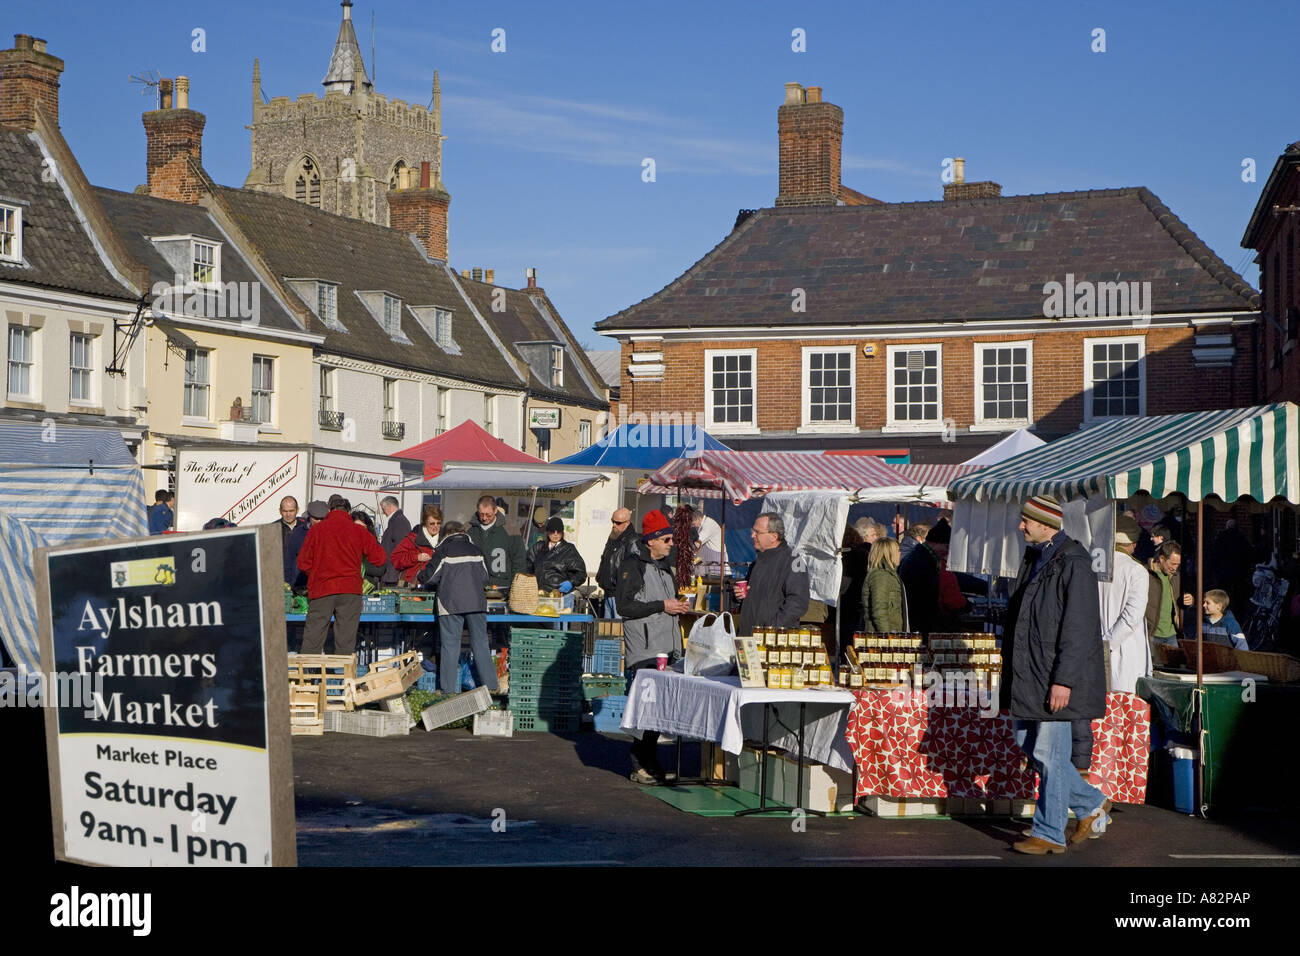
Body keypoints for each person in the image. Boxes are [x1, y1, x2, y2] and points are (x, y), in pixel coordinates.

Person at [1001, 494, 1109, 855]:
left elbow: (1079, 628)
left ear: (1046, 523)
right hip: (1033, 674)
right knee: (1028, 744)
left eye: (1026, 521)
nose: (1021, 526)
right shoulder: (1039, 557)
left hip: (1053, 677)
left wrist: (1064, 680)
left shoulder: (1073, 562)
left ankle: (1049, 833)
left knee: (1048, 752)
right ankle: (1091, 804)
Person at [616, 511, 692, 783]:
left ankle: (650, 762)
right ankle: (639, 764)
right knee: (646, 709)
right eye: (667, 538)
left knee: (658, 710)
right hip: (645, 648)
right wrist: (663, 605)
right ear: (652, 540)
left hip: (665, 646)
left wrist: (677, 606)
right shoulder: (633, 567)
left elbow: (663, 603)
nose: (671, 543)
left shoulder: (664, 568)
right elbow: (624, 606)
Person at [296, 496, 387, 656]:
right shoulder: (358, 531)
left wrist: (316, 571)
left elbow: (303, 563)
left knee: (313, 638)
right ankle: (344, 679)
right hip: (350, 590)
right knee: (345, 641)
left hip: (322, 588)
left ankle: (308, 678)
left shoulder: (317, 530)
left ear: (330, 510)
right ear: (348, 511)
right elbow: (380, 558)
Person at [417, 521, 497, 693]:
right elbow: (484, 576)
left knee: (450, 646)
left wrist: (420, 575)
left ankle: (448, 691)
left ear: (446, 534)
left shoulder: (443, 550)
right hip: (476, 602)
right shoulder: (476, 550)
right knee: (481, 644)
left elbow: (430, 577)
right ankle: (491, 687)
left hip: (450, 603)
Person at [735, 513, 810, 637]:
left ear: (773, 536)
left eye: (757, 532)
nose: (752, 535)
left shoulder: (794, 561)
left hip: (774, 641)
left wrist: (772, 628)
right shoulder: (758, 561)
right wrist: (740, 595)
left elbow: (798, 602)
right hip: (748, 636)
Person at [1100, 515, 1151, 694]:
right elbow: (1132, 617)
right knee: (1125, 716)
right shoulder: (1136, 570)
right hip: (1125, 653)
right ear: (1133, 544)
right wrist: (1106, 644)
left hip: (1094, 650)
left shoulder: (1093, 566)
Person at [898, 520, 946, 635]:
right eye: (946, 545)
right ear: (936, 543)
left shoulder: (923, 555)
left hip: (918, 618)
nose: (948, 549)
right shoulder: (922, 559)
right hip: (919, 621)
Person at [470, 494, 527, 590]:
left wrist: (517, 586)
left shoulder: (511, 529)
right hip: (475, 585)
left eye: (488, 514)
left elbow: (519, 561)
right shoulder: (469, 529)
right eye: (481, 514)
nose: (484, 518)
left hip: (502, 585)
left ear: (495, 510)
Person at [1145, 541, 1193, 648]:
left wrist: (1188, 601)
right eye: (1172, 563)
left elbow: (1179, 601)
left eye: (1178, 565)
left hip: (1172, 634)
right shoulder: (1145, 574)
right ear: (1162, 559)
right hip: (1152, 633)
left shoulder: (1176, 576)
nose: (1175, 568)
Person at [527, 516, 587, 593]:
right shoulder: (538, 547)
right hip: (538, 594)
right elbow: (527, 567)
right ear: (547, 532)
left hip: (561, 595)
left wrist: (571, 582)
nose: (555, 534)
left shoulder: (569, 549)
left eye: (558, 531)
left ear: (562, 532)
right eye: (552, 531)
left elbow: (581, 573)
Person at [596, 507, 638, 617]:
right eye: (612, 521)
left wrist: (622, 587)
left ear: (627, 523)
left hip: (620, 595)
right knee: (606, 631)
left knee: (618, 630)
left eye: (618, 523)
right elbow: (606, 561)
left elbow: (633, 570)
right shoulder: (613, 537)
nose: (614, 525)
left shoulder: (632, 541)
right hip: (608, 592)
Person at [861, 537, 906, 633]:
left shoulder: (888, 574)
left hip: (891, 633)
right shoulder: (881, 575)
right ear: (889, 553)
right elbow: (879, 611)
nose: (900, 553)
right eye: (897, 550)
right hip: (881, 637)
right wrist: (887, 636)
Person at [391, 505, 442, 587]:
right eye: (432, 523)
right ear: (425, 523)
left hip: (436, 586)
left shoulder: (444, 540)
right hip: (412, 587)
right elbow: (395, 559)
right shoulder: (413, 538)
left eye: (438, 523)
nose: (436, 526)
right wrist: (416, 557)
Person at [272, 497, 307, 586]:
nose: (288, 515)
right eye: (285, 511)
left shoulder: (305, 527)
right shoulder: (273, 529)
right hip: (281, 578)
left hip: (302, 578)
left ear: (297, 510)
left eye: (291, 511)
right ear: (280, 511)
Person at [377, 495, 411, 587]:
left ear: (390, 507)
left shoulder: (399, 522)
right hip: (391, 573)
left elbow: (402, 548)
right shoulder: (397, 521)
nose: (383, 512)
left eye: (383, 508)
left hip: (394, 574)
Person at [351, 510, 385, 592]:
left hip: (368, 589)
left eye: (362, 528)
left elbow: (380, 569)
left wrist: (361, 566)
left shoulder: (374, 544)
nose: (359, 530)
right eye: (355, 527)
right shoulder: (346, 545)